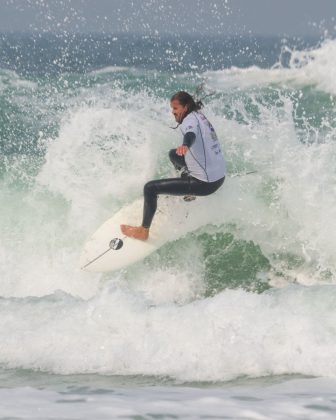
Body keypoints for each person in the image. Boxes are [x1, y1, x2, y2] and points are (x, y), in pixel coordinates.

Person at [120, 91, 226, 241]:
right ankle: (189, 193)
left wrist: (186, 144)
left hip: (205, 184)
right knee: (174, 155)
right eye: (172, 109)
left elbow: (190, 134)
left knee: (150, 188)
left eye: (175, 109)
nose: (173, 113)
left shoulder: (189, 121)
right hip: (219, 176)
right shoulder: (199, 115)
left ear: (186, 107)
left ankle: (143, 231)